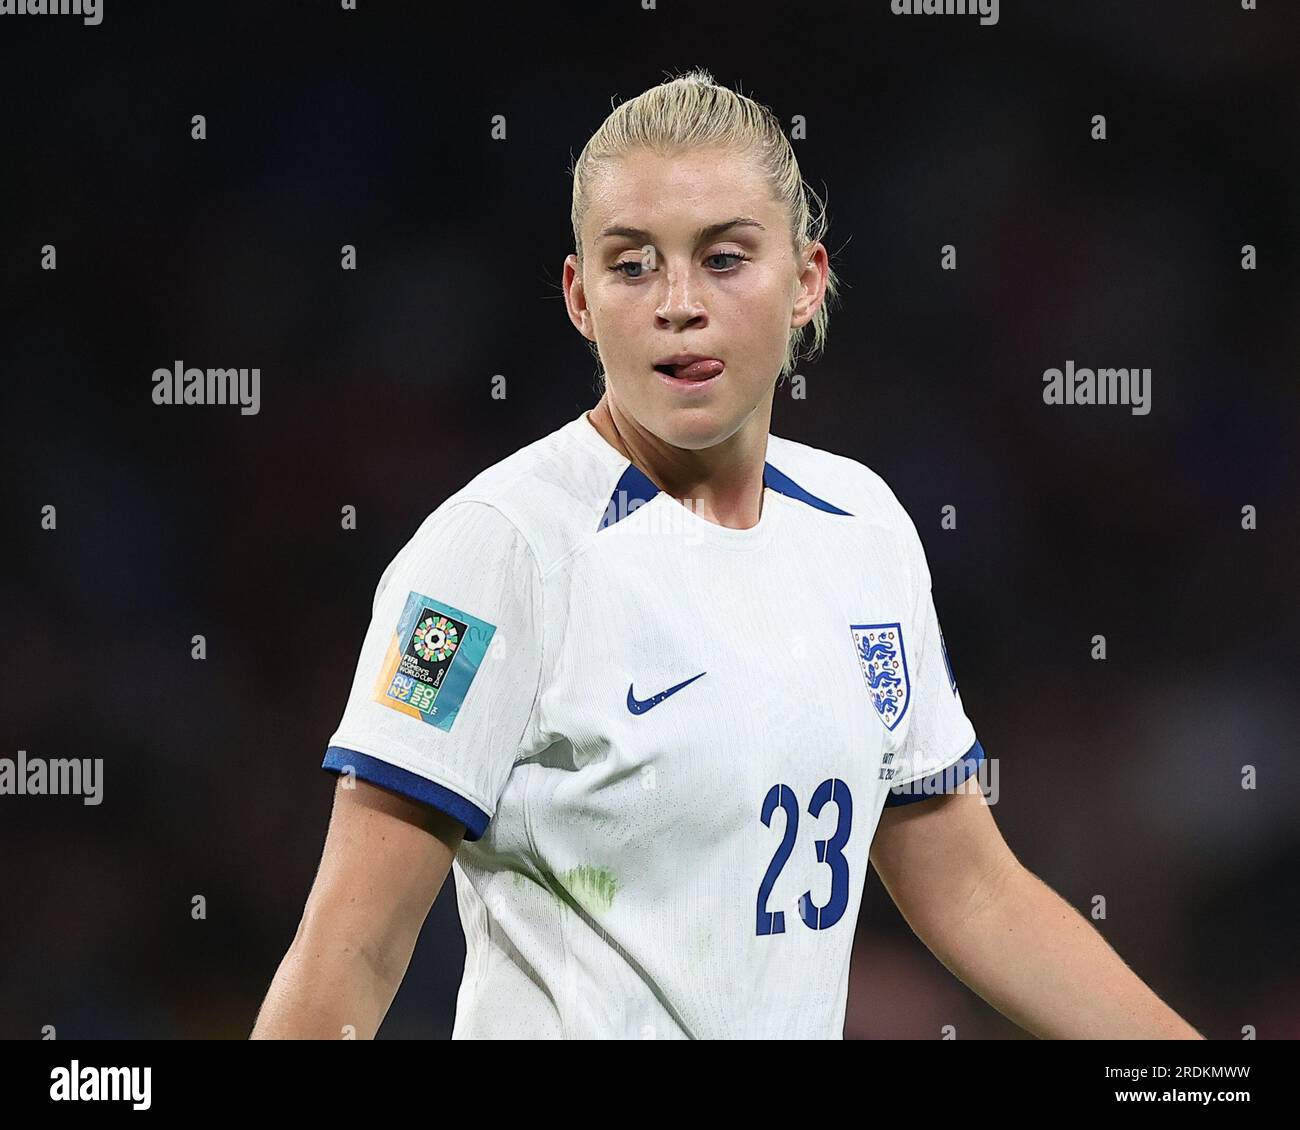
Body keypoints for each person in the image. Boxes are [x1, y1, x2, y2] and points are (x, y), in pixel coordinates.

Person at [252, 68, 1202, 1040]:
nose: (678, 303)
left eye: (723, 258)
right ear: (579, 298)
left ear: (806, 280)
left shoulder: (861, 526)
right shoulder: (496, 551)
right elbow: (351, 952)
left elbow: (973, 889)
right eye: (632, 264)